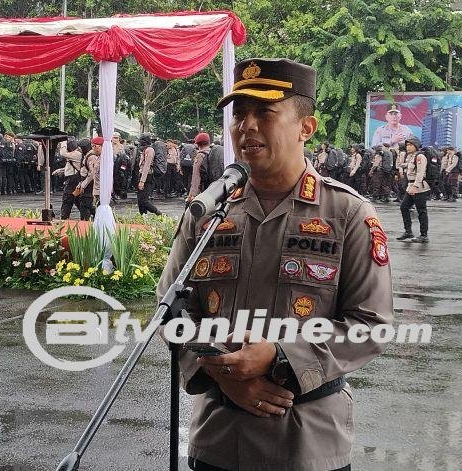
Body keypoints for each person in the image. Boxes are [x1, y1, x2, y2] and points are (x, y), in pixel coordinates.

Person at [157, 57, 393, 471]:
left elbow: (370, 325)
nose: (246, 126)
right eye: (239, 115)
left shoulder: (348, 214)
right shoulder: (208, 211)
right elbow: (171, 306)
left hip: (306, 443)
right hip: (218, 439)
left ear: (306, 127)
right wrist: (225, 377)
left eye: (264, 113)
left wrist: (278, 356)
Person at [397, 136, 430, 243]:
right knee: (404, 207)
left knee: (421, 211)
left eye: (410, 145)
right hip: (410, 186)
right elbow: (410, 167)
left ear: (416, 146)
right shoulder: (412, 156)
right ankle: (408, 231)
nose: (408, 147)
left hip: (419, 187)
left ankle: (424, 235)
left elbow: (420, 173)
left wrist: (415, 186)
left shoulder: (420, 157)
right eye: (407, 145)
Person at [137, 133, 162, 215]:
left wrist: (142, 181)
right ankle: (143, 217)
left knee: (143, 200)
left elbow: (147, 166)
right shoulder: (145, 150)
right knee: (140, 200)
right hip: (143, 175)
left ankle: (157, 212)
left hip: (147, 176)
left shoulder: (149, 150)